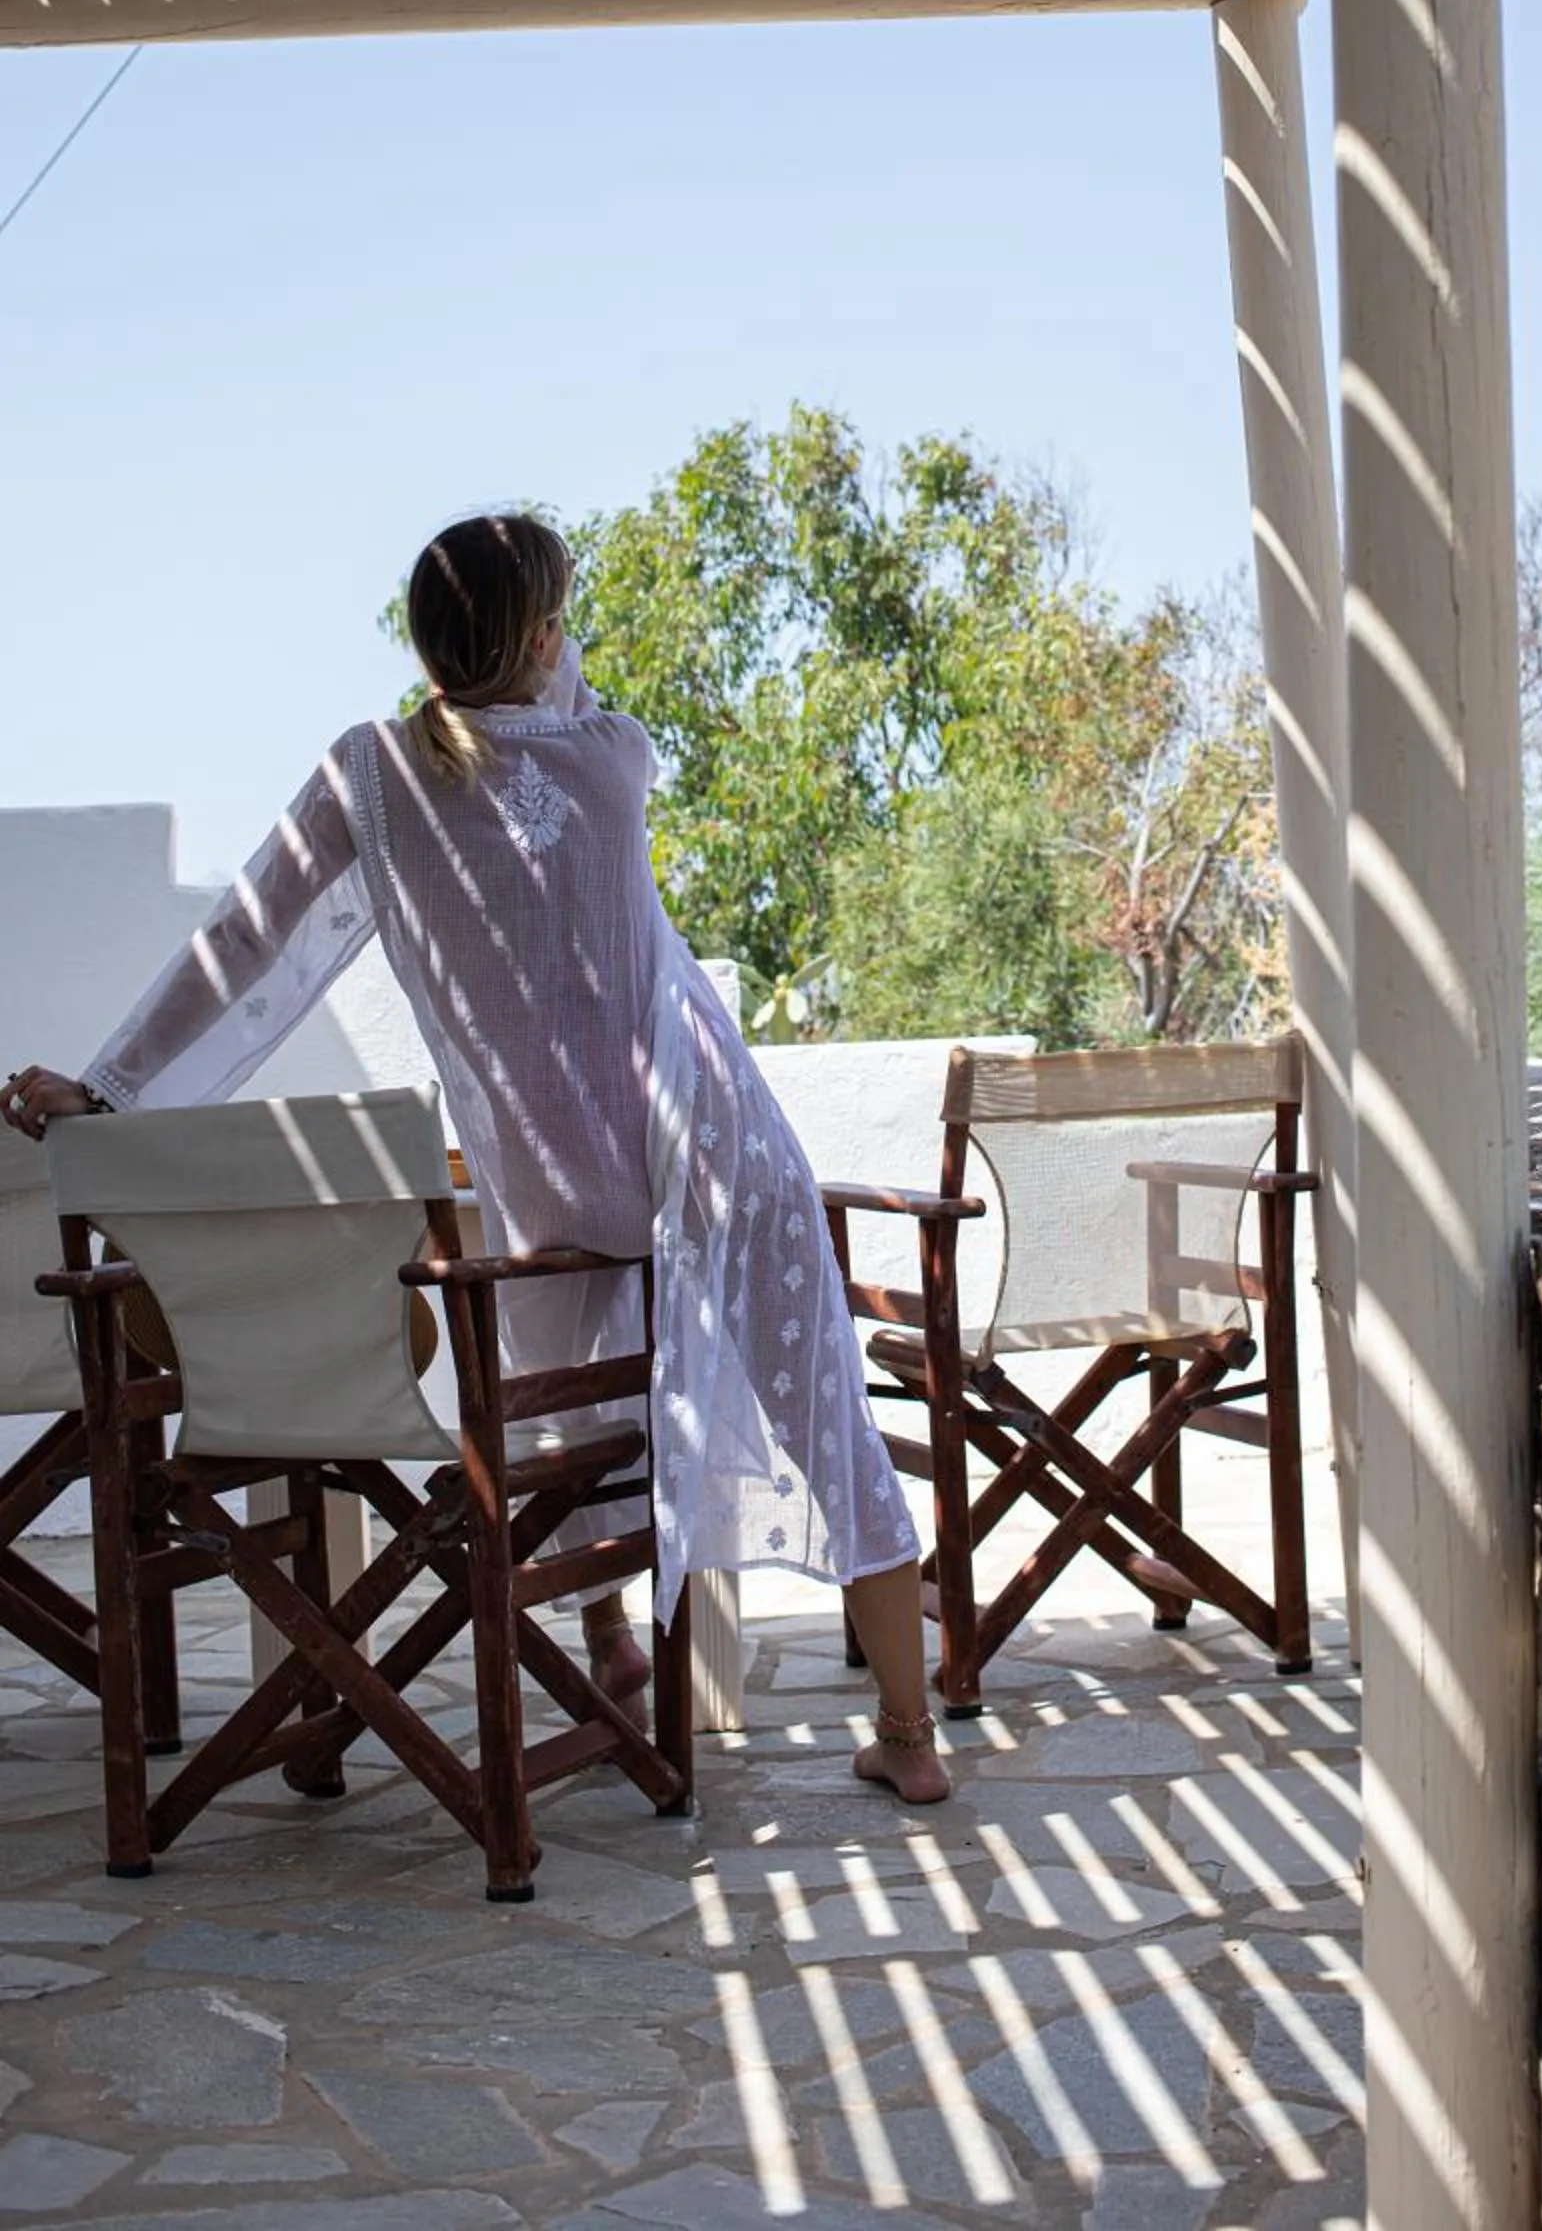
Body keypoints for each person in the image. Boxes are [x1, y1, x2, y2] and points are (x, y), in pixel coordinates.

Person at [1, 513, 949, 1805]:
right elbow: (552, 722)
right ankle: (907, 1734)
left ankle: (610, 1637)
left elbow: (240, 949)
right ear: (547, 635)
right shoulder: (613, 756)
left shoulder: (371, 776)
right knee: (823, 1413)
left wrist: (106, 1084)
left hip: (556, 1190)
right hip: (715, 1155)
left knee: (564, 1403)